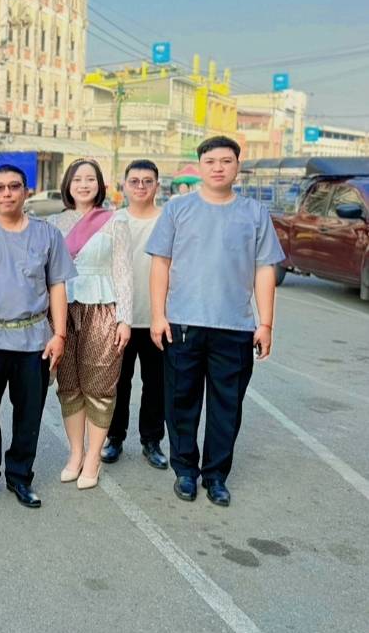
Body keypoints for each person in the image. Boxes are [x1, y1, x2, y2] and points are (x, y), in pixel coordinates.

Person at [148, 136, 284, 506]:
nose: (218, 167)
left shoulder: (254, 213)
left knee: (227, 406)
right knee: (181, 402)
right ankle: (185, 471)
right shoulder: (178, 209)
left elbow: (264, 269)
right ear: (200, 167)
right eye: (210, 161)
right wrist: (158, 315)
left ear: (237, 166)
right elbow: (160, 263)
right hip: (183, 324)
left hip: (235, 326)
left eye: (226, 161)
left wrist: (265, 324)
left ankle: (216, 476)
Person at [0, 165, 75, 508]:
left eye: (14, 186)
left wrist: (60, 334)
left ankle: (21, 476)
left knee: (29, 413)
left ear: (26, 192)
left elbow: (57, 285)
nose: (6, 193)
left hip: (34, 337)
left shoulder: (47, 235)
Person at [49, 159, 132, 490]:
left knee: (99, 385)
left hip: (102, 309)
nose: (83, 185)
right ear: (67, 185)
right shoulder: (54, 223)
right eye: (77, 179)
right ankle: (75, 454)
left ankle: (94, 457)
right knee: (68, 384)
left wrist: (125, 319)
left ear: (100, 185)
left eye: (90, 179)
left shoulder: (115, 221)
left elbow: (123, 272)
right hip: (63, 311)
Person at [102, 160, 168, 470]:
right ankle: (114, 437)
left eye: (147, 181)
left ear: (157, 185)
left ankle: (151, 440)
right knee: (118, 383)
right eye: (134, 181)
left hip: (158, 318)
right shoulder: (114, 220)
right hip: (121, 319)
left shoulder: (168, 220)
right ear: (124, 185)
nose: (141, 186)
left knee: (156, 384)